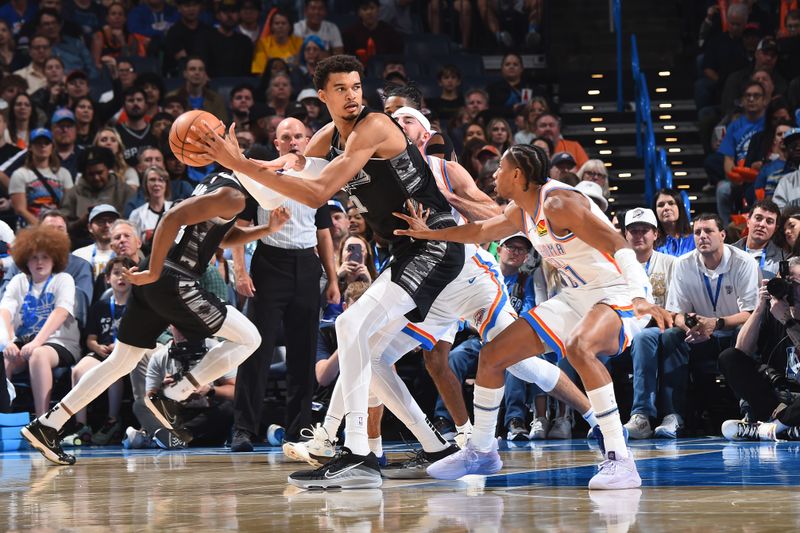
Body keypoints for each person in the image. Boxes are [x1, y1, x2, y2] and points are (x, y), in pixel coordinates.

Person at [195, 54, 474, 488]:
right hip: (403, 252)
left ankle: (357, 454)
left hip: (433, 242)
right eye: (341, 89)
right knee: (373, 357)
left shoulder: (376, 126)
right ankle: (434, 446)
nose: (352, 96)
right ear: (322, 96)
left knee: (350, 326)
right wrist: (236, 161)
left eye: (357, 86)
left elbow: (319, 192)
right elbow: (277, 188)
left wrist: (241, 165)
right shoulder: (327, 135)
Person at [392, 144, 670, 489]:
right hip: (576, 296)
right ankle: (482, 450)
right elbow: (479, 232)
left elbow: (618, 243)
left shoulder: (559, 203)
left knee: (579, 348)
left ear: (517, 175)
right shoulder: (520, 211)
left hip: (616, 291)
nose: (494, 174)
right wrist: (427, 234)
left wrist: (641, 295)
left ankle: (620, 459)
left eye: (500, 169)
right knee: (492, 355)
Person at [20, 169, 291, 465]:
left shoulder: (220, 184)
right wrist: (153, 272)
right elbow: (171, 217)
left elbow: (222, 239)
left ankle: (48, 424)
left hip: (159, 280)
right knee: (250, 338)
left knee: (120, 363)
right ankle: (173, 395)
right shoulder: (235, 195)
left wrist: (267, 229)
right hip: (174, 278)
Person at [229, 117, 338, 451]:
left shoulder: (318, 177)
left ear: (307, 141)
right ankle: (244, 429)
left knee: (304, 353)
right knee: (255, 350)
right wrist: (240, 270)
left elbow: (324, 233)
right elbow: (240, 227)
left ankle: (299, 429)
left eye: (299, 137)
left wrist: (332, 278)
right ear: (276, 144)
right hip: (268, 264)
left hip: (307, 266)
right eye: (286, 137)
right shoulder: (260, 178)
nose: (293, 142)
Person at [2, 225, 81, 416]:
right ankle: (3, 414)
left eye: (45, 256)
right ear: (25, 260)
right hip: (25, 342)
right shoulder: (18, 281)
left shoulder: (64, 279)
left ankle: (42, 420)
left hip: (61, 344)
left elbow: (61, 312)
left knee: (38, 355)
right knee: (4, 356)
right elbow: (4, 311)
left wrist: (37, 342)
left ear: (55, 259)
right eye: (34, 257)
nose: (39, 262)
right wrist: (9, 341)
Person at [719, 257, 800, 441]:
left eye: (794, 283)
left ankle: (770, 428)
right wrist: (759, 307)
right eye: (783, 282)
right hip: (776, 398)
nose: (787, 289)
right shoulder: (772, 310)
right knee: (728, 357)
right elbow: (741, 350)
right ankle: (787, 428)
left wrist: (787, 321)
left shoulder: (783, 316)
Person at [61, 256, 137, 446]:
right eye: (116, 273)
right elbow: (90, 339)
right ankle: (81, 424)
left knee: (113, 370)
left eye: (126, 273)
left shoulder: (138, 307)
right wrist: (97, 347)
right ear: (107, 278)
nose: (121, 277)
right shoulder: (100, 307)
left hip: (125, 353)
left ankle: (112, 421)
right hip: (102, 352)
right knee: (78, 371)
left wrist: (118, 346)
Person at [9, 128, 74, 227]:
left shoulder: (64, 174)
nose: (43, 146)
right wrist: (43, 227)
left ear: (52, 146)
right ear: (30, 147)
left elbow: (69, 206)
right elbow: (20, 209)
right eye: (38, 143)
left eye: (46, 143)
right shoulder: (19, 174)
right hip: (30, 229)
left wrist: (58, 225)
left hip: (58, 227)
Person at [731, 200, 784, 278]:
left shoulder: (782, 259)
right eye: (758, 218)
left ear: (775, 229)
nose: (762, 224)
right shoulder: (729, 253)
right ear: (748, 221)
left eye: (769, 221)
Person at [129, 165, 172, 252]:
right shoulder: (136, 214)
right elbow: (133, 244)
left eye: (161, 180)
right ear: (145, 184)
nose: (156, 183)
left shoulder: (175, 209)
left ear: (166, 184)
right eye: (152, 180)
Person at [653, 188, 695, 256]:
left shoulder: (694, 240)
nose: (666, 208)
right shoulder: (651, 242)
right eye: (661, 205)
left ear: (680, 207)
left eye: (671, 203)